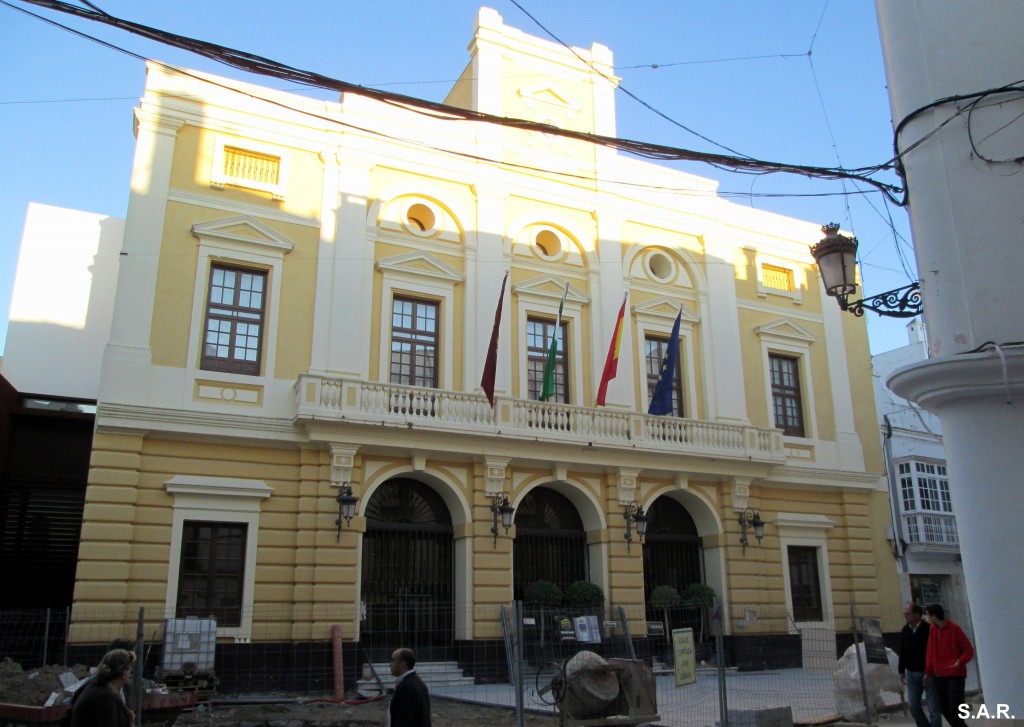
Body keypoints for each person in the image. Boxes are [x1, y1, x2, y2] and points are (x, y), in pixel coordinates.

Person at [925, 603, 974, 727]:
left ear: (934, 616)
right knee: (943, 705)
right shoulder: (933, 630)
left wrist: (960, 661)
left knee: (955, 706)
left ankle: (958, 724)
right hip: (939, 674)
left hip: (955, 673)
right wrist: (928, 672)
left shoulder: (954, 629)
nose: (927, 617)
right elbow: (931, 651)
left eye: (928, 615)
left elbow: (969, 650)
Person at [898, 603, 940, 727]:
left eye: (908, 613)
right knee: (913, 705)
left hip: (928, 672)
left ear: (917, 615)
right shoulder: (906, 630)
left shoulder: (929, 629)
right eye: (905, 613)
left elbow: (934, 650)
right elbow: (902, 650)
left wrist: (932, 670)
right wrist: (901, 670)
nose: (906, 616)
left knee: (933, 708)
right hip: (911, 673)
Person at [70, 648, 136, 727]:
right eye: (130, 670)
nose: (130, 674)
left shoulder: (102, 688)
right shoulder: (105, 697)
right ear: (123, 673)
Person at [388, 647, 431, 727]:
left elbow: (404, 720)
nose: (390, 665)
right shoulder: (418, 682)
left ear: (402, 664)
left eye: (393, 661)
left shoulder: (405, 687)